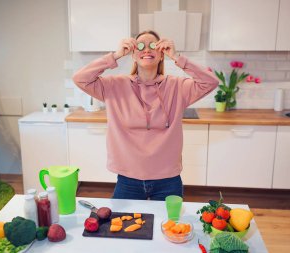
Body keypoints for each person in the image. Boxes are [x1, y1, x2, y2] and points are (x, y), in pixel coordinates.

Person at [73, 30, 218, 200]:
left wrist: (177, 57)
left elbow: (211, 81)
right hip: (128, 179)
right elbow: (80, 78)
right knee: (123, 225)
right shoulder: (114, 86)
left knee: (169, 226)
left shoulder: (177, 87)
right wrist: (116, 55)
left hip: (168, 179)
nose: (147, 50)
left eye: (153, 46)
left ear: (161, 54)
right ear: (133, 55)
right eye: (141, 46)